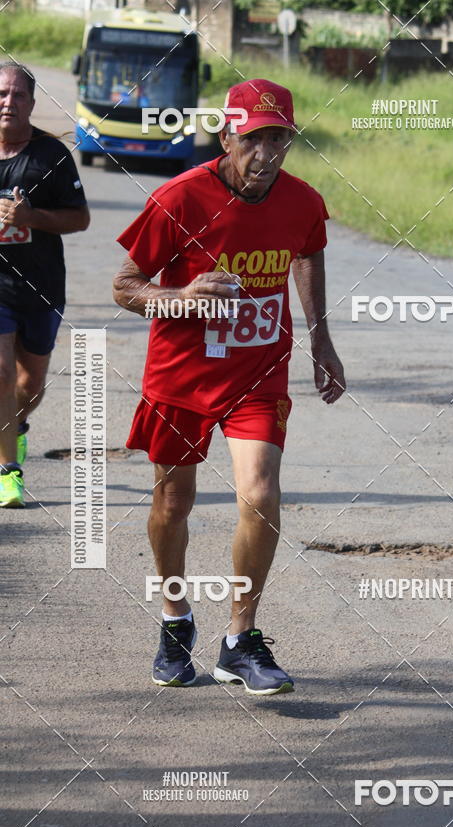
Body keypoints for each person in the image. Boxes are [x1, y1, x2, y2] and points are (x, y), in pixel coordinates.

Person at [113, 78, 345, 695]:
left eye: (279, 140)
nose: (267, 154)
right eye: (255, 140)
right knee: (171, 505)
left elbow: (309, 251)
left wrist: (320, 340)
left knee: (261, 492)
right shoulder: (180, 198)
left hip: (258, 372)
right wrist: (180, 296)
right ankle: (174, 619)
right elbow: (126, 285)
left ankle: (240, 639)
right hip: (181, 374)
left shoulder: (303, 201)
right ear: (227, 135)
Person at [0, 62, 90, 508]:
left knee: (29, 384)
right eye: (2, 94)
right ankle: (7, 472)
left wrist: (32, 218)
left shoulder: (50, 155)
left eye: (18, 96)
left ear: (32, 104)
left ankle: (15, 428)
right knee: (0, 372)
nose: (8, 102)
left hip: (39, 285)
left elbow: (81, 218)